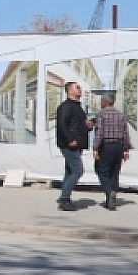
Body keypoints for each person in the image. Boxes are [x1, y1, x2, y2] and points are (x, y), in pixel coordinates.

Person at [91, 93, 131, 210]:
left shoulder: (101, 114)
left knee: (101, 171)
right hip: (118, 146)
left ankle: (109, 192)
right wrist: (126, 149)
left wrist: (96, 148)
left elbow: (99, 133)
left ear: (104, 102)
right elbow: (125, 133)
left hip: (106, 146)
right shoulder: (120, 115)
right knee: (114, 172)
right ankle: (111, 199)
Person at [55, 81, 90, 210]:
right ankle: (65, 200)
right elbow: (62, 125)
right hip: (69, 144)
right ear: (70, 91)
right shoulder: (66, 107)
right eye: (77, 88)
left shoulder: (77, 107)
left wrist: (87, 127)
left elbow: (76, 125)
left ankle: (63, 196)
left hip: (76, 144)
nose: (80, 90)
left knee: (69, 171)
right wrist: (70, 139)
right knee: (78, 170)